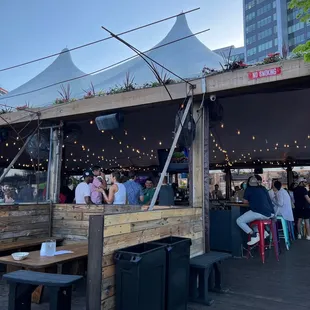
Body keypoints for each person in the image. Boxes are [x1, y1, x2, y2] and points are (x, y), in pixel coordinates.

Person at [236, 175, 274, 246]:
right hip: (269, 213)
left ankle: (254, 235)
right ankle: (263, 232)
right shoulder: (263, 188)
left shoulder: (249, 189)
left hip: (258, 212)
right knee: (253, 219)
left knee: (239, 221)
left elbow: (245, 202)